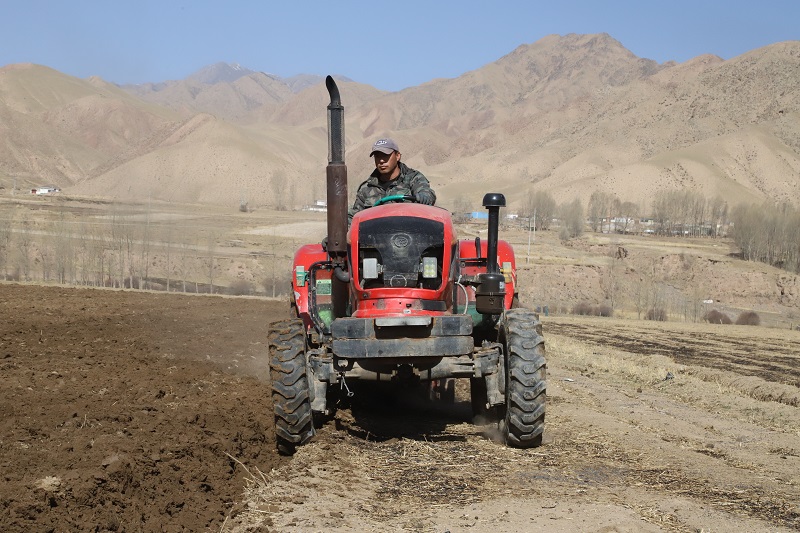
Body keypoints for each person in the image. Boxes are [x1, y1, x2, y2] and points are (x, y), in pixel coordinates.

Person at [348, 138, 436, 224]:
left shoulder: (413, 178)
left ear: (397, 156)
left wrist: (424, 197)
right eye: (377, 156)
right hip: (377, 232)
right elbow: (355, 218)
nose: (381, 161)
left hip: (407, 231)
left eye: (385, 155)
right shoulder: (367, 188)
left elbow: (427, 194)